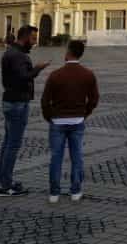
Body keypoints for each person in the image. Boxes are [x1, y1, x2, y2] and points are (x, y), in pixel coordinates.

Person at [41, 40, 99, 203]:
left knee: (56, 157)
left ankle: (54, 193)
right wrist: (85, 113)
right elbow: (94, 99)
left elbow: (45, 100)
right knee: (77, 156)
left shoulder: (55, 75)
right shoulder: (88, 74)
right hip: (77, 120)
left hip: (57, 121)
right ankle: (75, 191)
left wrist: (49, 117)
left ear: (68, 52)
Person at [0, 25, 50, 196]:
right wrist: (38, 68)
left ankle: (1, 179)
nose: (34, 42)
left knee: (8, 142)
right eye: (33, 39)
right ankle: (6, 186)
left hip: (10, 101)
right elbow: (23, 77)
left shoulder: (10, 52)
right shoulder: (18, 55)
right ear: (25, 37)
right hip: (17, 103)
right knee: (13, 145)